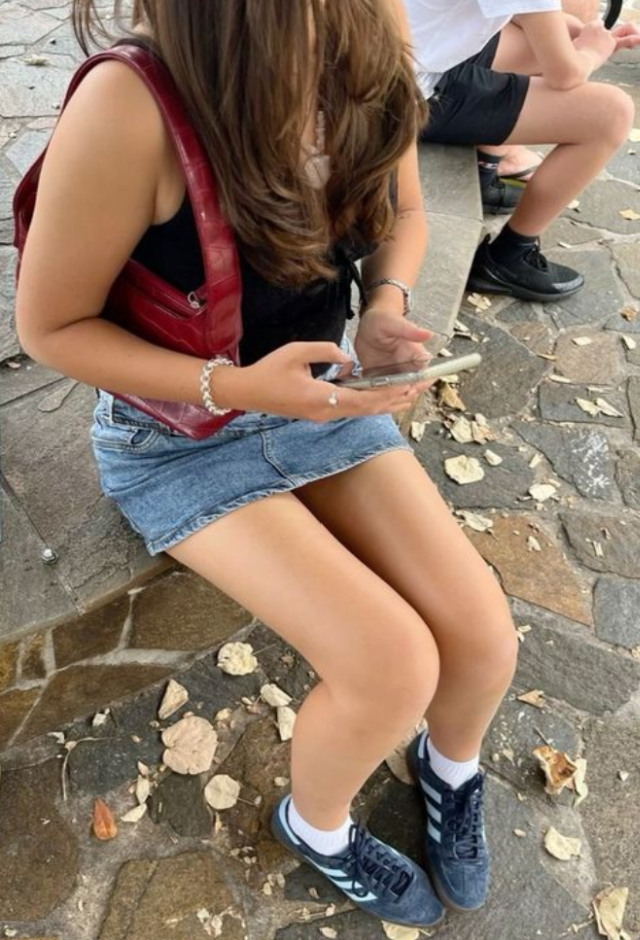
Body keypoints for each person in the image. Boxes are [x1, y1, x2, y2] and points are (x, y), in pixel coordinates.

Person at [15, 0, 519, 928]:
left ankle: (450, 771)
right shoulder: (134, 101)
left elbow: (406, 209)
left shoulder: (370, 33)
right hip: (178, 439)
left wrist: (385, 308)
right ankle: (317, 825)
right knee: (391, 666)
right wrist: (237, 386)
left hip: (322, 399)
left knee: (485, 642)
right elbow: (50, 326)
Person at [406, 0, 640, 301]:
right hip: (400, 96)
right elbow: (565, 74)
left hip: (392, 58)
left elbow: (525, 13)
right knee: (612, 114)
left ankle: (485, 167)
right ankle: (509, 257)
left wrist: (583, 36)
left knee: (548, 39)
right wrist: (593, 51)